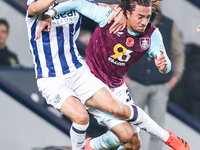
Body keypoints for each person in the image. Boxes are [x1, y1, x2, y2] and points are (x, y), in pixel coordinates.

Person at [38, 0, 190, 150]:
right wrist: (49, 14)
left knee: (133, 143)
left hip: (117, 85)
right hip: (91, 82)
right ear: (128, 13)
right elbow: (78, 4)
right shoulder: (109, 18)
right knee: (119, 116)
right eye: (140, 17)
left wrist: (163, 65)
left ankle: (91, 146)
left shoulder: (152, 33)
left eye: (147, 17)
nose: (144, 22)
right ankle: (168, 138)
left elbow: (165, 61)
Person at [25, 0, 144, 149]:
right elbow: (33, 8)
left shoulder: (77, 2)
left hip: (80, 72)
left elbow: (105, 7)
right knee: (81, 117)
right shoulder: (39, 4)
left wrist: (121, 11)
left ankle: (91, 146)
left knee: (129, 138)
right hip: (52, 79)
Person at [124, 1, 185, 149]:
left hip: (160, 86)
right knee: (129, 129)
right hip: (134, 84)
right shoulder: (130, 20)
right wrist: (125, 78)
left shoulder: (170, 24)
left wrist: (173, 79)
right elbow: (119, 47)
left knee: (158, 131)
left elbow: (178, 53)